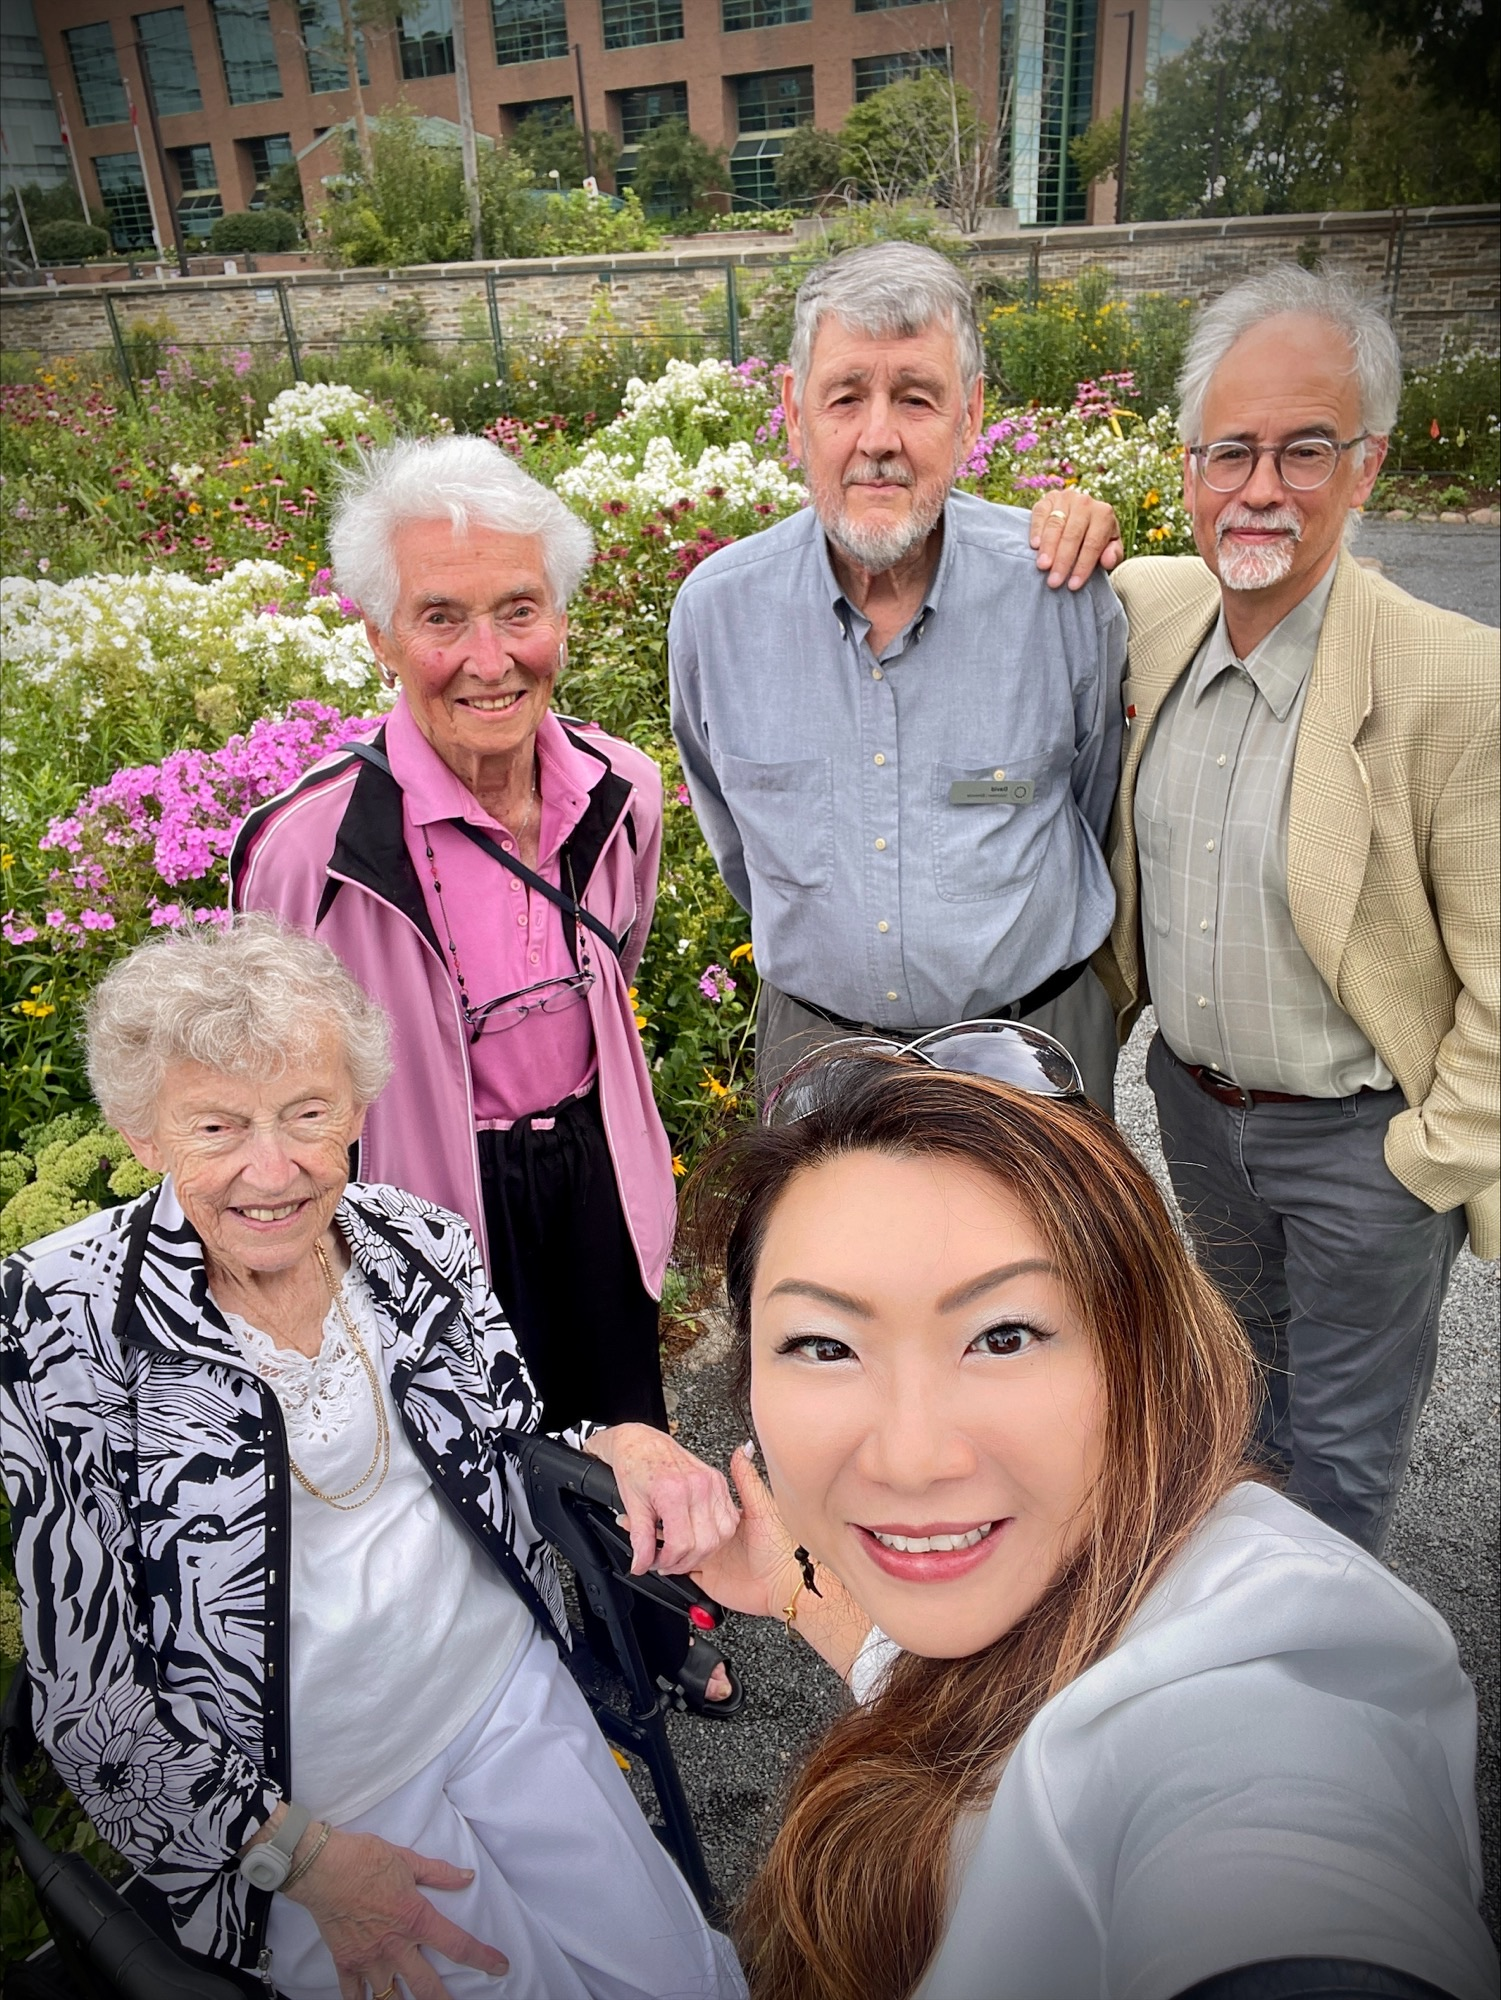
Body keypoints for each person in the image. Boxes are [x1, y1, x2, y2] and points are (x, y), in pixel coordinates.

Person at [0, 918, 746, 2000]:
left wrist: (615, 1441)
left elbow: (504, 1441)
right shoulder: (63, 1319)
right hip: (310, 1797)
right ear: (143, 1131)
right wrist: (296, 1857)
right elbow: (91, 1694)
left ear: (356, 1108)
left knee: (680, 1976)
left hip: (501, 1690)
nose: (274, 1167)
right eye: (217, 1123)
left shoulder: (413, 1241)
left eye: (308, 1113)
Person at [679, 1037, 1497, 2000]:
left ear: (1141, 1357)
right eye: (823, 1344)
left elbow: (1278, 1844)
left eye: (1005, 1336)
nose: (908, 1457)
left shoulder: (1260, 1685)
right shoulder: (1058, 1592)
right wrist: (800, 1594)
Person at [230, 435, 733, 1706]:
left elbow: (612, 949)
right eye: (441, 617)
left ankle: (650, 1648)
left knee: (626, 1409)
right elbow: (272, 1069)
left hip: (587, 1161)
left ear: (560, 613)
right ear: (382, 638)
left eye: (519, 609)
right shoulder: (308, 847)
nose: (490, 656)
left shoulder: (619, 789)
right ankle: (521, 1688)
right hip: (425, 1190)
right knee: (465, 1445)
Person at [1095, 265, 1499, 1555]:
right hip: (1201, 1120)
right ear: (1189, 465)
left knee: (1336, 1459)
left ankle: (1318, 1716)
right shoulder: (1153, 615)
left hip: (1361, 1149)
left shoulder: (1452, 675)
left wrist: (1422, 1166)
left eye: (1304, 450)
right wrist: (1062, 512)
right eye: (1230, 452)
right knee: (1235, 1417)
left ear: (1367, 465)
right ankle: (1236, 1655)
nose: (1259, 487)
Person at [668, 241, 1129, 1109]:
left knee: (1053, 1253)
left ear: (969, 415)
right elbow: (735, 845)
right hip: (817, 1052)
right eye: (845, 398)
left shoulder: (1058, 594)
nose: (877, 439)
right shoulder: (715, 614)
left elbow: (1094, 801)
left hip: (1030, 1048)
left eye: (915, 398)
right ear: (795, 412)